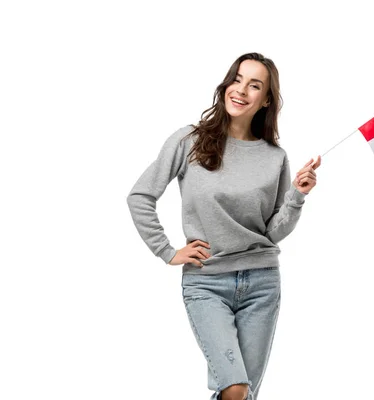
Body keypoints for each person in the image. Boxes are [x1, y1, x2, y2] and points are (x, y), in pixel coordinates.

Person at [126, 52, 321, 400]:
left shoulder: (275, 157)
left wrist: (296, 196)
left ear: (266, 100)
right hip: (206, 283)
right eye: (237, 79)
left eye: (254, 85)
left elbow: (272, 231)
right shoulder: (190, 140)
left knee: (244, 396)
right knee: (234, 387)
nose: (241, 90)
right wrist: (167, 252)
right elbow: (140, 196)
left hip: (262, 284)